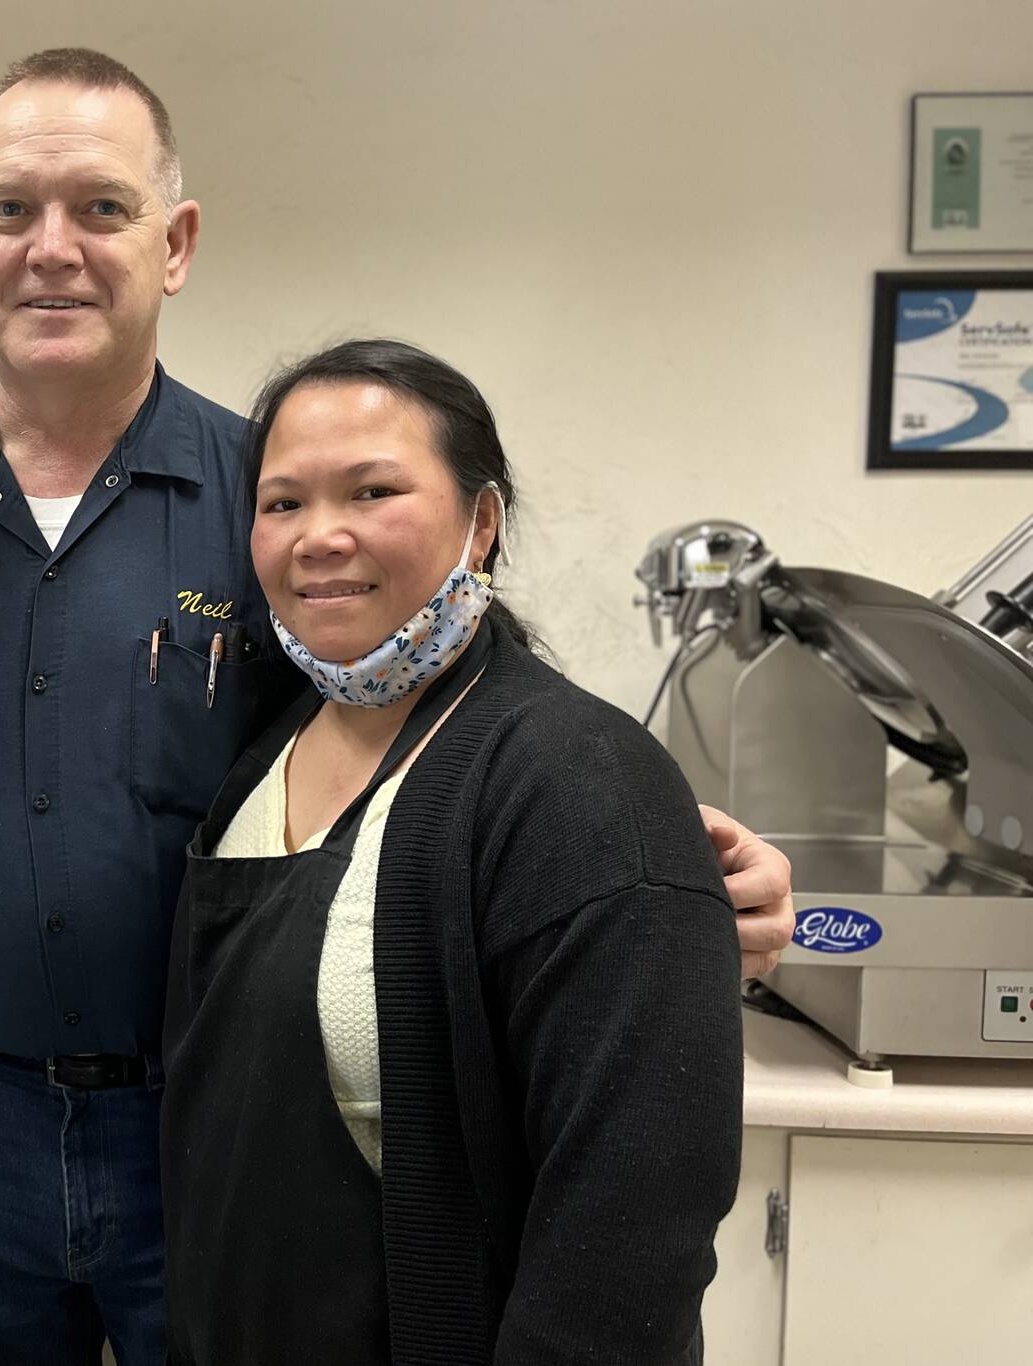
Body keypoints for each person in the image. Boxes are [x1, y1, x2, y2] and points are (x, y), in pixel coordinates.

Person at [0, 48, 792, 1366]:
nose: (53, 250)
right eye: (14, 211)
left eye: (101, 207)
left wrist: (649, 851)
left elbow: (440, 714)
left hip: (212, 1122)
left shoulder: (261, 491)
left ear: (176, 241)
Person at [161, 338, 742, 1364]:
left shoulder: (576, 781)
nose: (318, 537)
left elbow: (628, 1241)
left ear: (480, 521)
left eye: (372, 490)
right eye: (282, 502)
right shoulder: (266, 747)